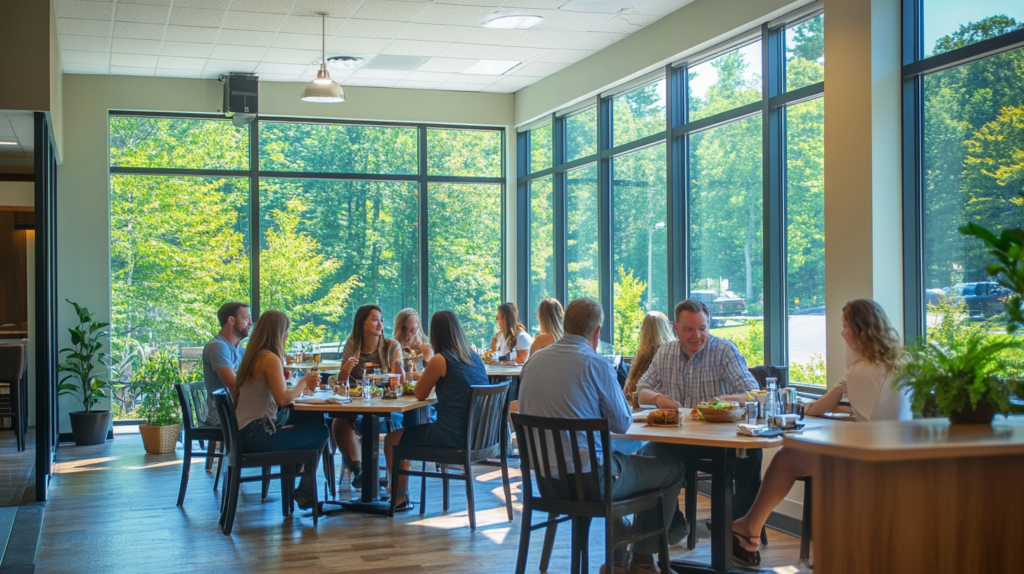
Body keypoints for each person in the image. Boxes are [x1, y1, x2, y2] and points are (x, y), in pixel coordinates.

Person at [730, 299, 910, 566]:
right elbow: (877, 412)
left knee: (788, 456)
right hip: (901, 452)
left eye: (845, 326)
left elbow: (817, 409)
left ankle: (749, 528)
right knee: (793, 454)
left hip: (869, 458)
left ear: (859, 332)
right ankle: (749, 528)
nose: (841, 333)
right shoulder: (902, 363)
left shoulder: (858, 370)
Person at [519, 298, 686, 574]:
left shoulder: (533, 363)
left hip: (547, 483)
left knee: (616, 459)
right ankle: (643, 562)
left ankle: (618, 559)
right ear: (597, 333)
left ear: (565, 325)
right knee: (672, 470)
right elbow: (622, 423)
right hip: (592, 483)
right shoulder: (596, 364)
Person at [634, 299, 762, 523]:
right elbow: (641, 390)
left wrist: (725, 399)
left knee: (751, 454)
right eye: (688, 329)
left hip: (721, 441)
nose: (696, 335)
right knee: (646, 456)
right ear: (675, 328)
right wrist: (659, 399)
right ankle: (672, 525)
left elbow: (753, 393)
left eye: (702, 328)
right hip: (679, 440)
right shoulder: (666, 353)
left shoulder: (724, 350)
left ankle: (739, 530)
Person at [383, 310, 489, 511]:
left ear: (436, 333)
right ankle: (400, 495)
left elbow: (420, 394)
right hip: (477, 436)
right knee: (404, 434)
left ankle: (398, 497)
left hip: (450, 436)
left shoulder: (441, 359)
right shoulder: (474, 357)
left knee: (392, 440)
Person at [232, 310, 328, 510]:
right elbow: (282, 398)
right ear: (278, 332)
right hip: (258, 436)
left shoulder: (253, 357)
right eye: (286, 331)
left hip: (243, 433)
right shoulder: (270, 359)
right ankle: (304, 490)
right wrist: (304, 382)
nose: (286, 336)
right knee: (321, 431)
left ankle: (301, 489)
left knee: (307, 420)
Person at [333, 304, 405, 488]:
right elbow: (342, 382)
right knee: (338, 423)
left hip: (387, 406)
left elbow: (400, 381)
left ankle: (386, 482)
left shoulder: (391, 346)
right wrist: (347, 369)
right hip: (357, 404)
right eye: (374, 319)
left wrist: (398, 365)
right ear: (362, 324)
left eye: (381, 320)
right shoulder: (352, 345)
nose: (380, 324)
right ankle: (360, 472)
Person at [202, 301, 252, 425]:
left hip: (236, 411)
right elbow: (233, 384)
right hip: (223, 415)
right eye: (246, 319)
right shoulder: (217, 347)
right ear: (231, 320)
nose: (250, 324)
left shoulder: (238, 349)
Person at [623, 312, 675, 404]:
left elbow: (626, 392)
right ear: (666, 328)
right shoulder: (671, 353)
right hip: (665, 408)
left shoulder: (639, 357)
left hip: (638, 410)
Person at [393, 308, 434, 379]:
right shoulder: (395, 348)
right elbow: (400, 376)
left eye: (416, 330)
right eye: (409, 330)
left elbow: (430, 374)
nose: (414, 334)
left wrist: (426, 350)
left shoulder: (426, 348)